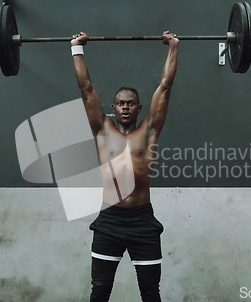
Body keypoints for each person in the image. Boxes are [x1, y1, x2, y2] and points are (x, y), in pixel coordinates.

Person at [70, 31, 179, 302]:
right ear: (113, 108)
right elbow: (86, 89)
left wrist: (173, 47)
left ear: (139, 107)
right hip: (109, 221)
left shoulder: (149, 131)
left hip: (143, 221)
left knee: (151, 294)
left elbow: (165, 87)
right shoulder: (102, 130)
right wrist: (76, 49)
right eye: (120, 104)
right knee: (100, 292)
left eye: (130, 103)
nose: (125, 108)